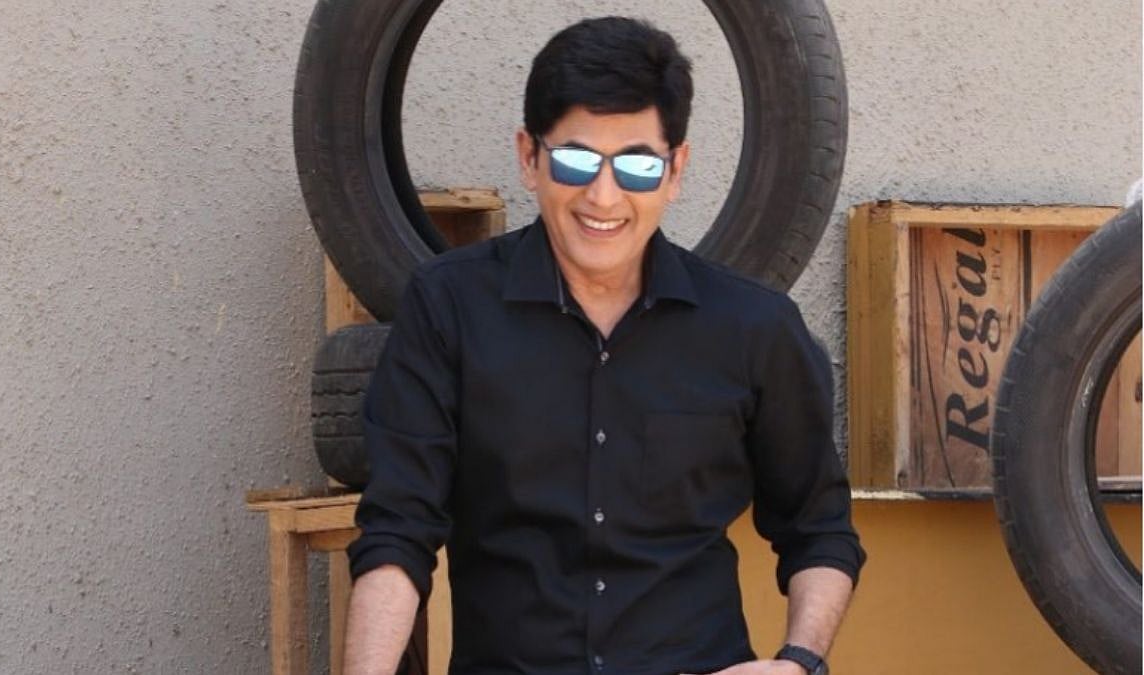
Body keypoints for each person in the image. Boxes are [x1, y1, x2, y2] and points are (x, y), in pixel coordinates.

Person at [343, 16, 865, 675]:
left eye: (639, 166)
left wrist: (799, 662)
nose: (604, 196)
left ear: (675, 170)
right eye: (577, 159)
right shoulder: (448, 307)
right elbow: (398, 533)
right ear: (529, 158)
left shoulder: (753, 326)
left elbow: (818, 530)